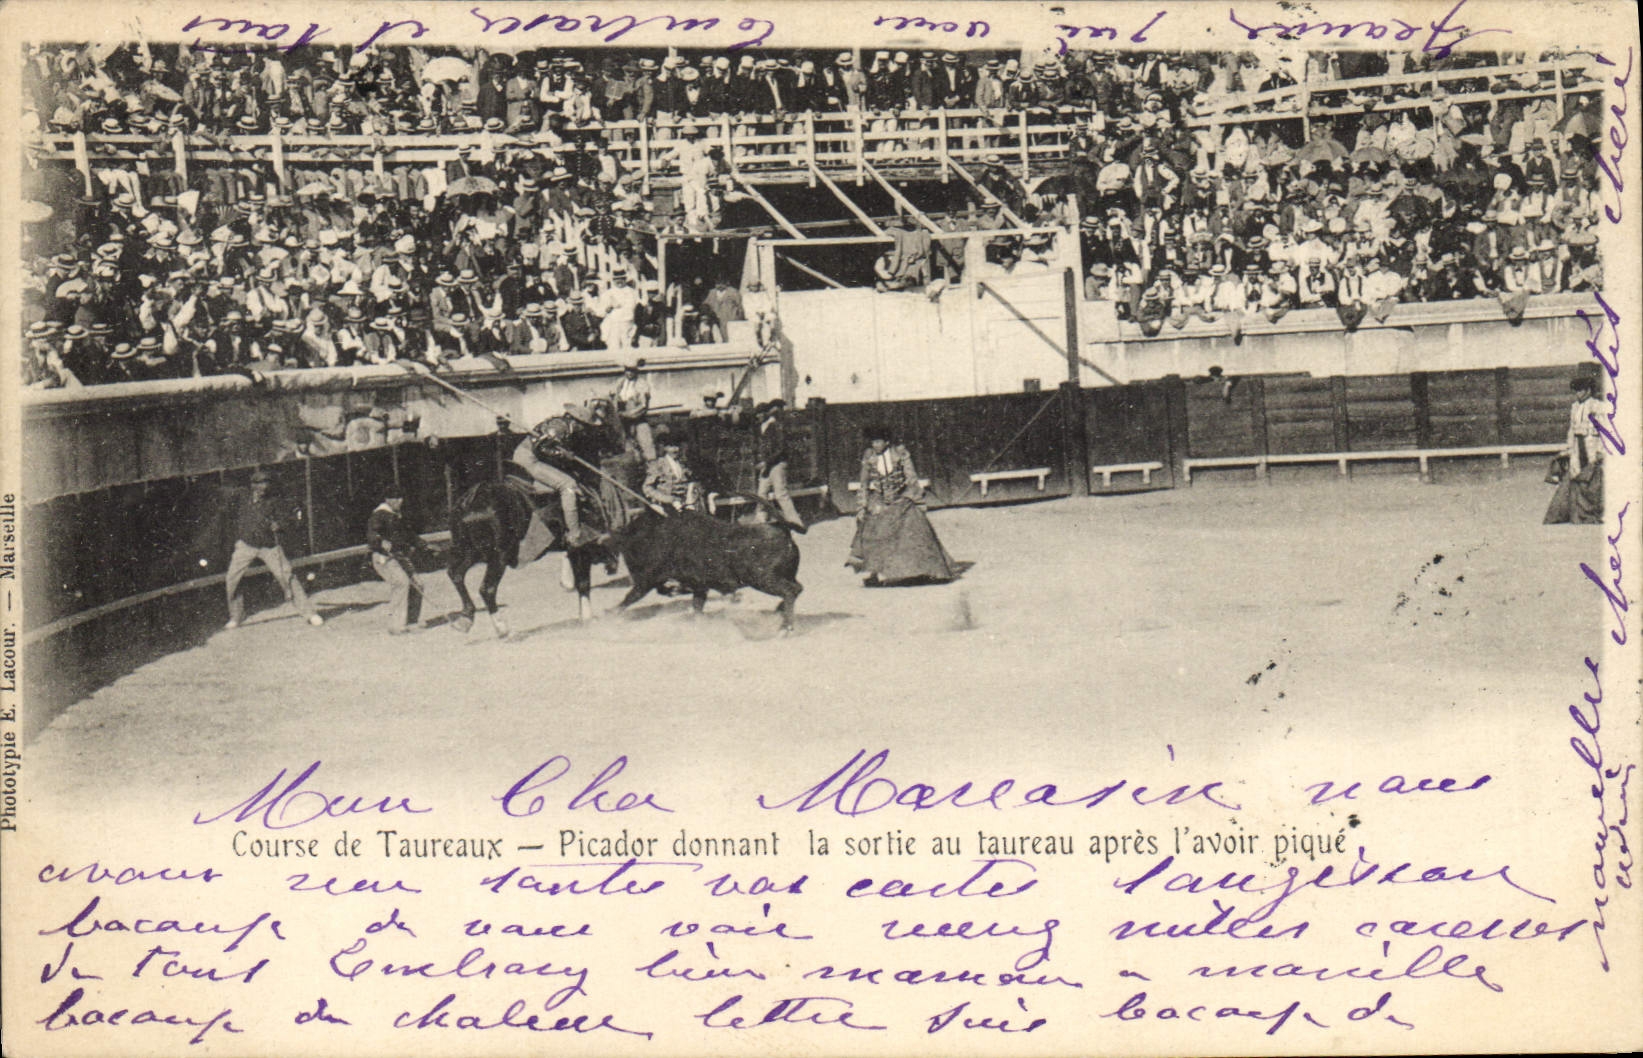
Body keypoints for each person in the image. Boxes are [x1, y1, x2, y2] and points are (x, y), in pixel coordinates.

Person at [847, 424, 955, 585]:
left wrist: (918, 501)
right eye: (873, 442)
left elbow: (911, 477)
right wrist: (861, 507)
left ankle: (929, 571)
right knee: (872, 532)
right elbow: (864, 484)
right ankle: (874, 573)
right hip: (879, 499)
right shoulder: (869, 456)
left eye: (878, 442)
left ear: (887, 442)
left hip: (901, 497)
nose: (875, 445)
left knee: (917, 531)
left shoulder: (900, 453)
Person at [224, 468, 324, 628]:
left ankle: (310, 614)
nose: (264, 489)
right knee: (232, 579)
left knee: (287, 576)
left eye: (266, 485)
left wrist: (279, 525)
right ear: (253, 485)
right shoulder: (242, 497)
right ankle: (236, 616)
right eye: (260, 485)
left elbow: (288, 520)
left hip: (268, 546)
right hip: (245, 545)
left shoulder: (275, 501)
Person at [512, 409, 594, 546]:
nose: (583, 429)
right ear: (575, 420)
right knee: (568, 485)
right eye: (583, 425)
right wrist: (563, 455)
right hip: (529, 458)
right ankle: (574, 534)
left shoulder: (564, 427)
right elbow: (540, 447)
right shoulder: (559, 426)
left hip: (530, 457)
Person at [1544, 375, 1606, 525]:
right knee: (1576, 473)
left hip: (1592, 443)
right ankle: (1579, 514)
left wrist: (1600, 449)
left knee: (1593, 477)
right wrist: (1569, 447)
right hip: (1579, 444)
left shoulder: (1598, 406)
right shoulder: (1575, 407)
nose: (1577, 394)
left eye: (1580, 390)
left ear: (1588, 390)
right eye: (1575, 391)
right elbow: (1572, 430)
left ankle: (1594, 512)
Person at [367, 493, 426, 634]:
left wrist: (423, 545)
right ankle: (395, 624)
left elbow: (408, 534)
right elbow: (372, 534)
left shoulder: (397, 515)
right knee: (401, 583)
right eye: (395, 498)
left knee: (418, 584)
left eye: (401, 498)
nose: (399, 501)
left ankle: (411, 621)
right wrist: (380, 542)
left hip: (400, 557)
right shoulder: (379, 515)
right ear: (387, 499)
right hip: (384, 558)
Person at [754, 398, 804, 530]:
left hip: (777, 464)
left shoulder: (776, 426)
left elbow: (781, 449)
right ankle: (762, 521)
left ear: (767, 414)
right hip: (768, 465)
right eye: (757, 414)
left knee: (781, 494)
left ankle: (796, 522)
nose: (758, 416)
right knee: (761, 493)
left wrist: (766, 462)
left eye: (761, 413)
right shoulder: (763, 427)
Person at [611, 354, 657, 460]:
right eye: (627, 370)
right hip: (622, 420)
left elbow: (643, 406)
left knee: (647, 445)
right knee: (622, 445)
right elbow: (613, 398)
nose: (629, 373)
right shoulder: (620, 383)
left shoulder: (642, 385)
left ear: (636, 371)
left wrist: (628, 414)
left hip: (637, 419)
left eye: (632, 370)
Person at [643, 431, 701, 511]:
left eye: (677, 446)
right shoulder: (658, 465)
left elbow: (692, 484)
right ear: (665, 448)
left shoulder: (682, 464)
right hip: (666, 506)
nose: (675, 449)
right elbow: (647, 488)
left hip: (685, 505)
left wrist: (690, 499)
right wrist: (667, 499)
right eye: (671, 446)